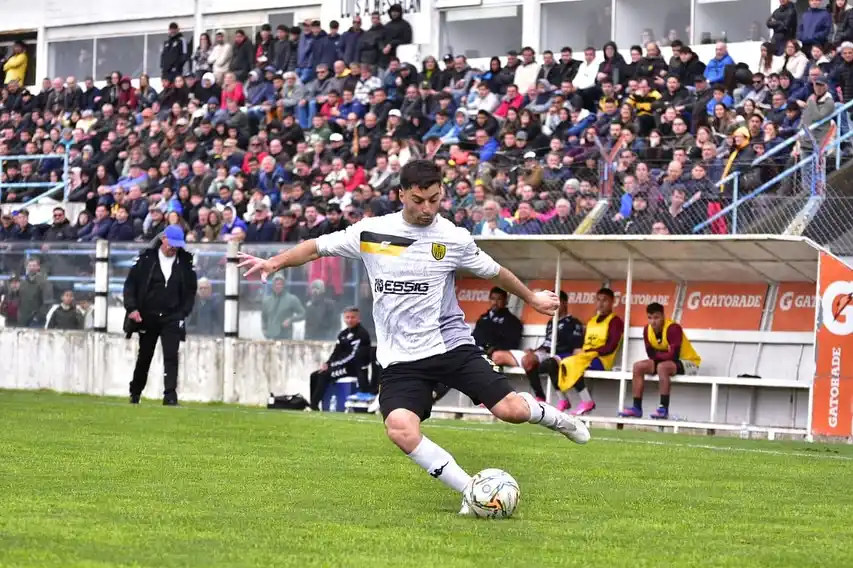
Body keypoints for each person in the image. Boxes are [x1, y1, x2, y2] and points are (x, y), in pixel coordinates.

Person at [238, 160, 590, 515]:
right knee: (400, 428)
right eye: (419, 200)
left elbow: (495, 272)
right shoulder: (372, 233)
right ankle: (473, 491)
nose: (427, 209)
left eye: (435, 200)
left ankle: (561, 419)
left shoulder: (452, 237)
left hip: (451, 346)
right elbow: (315, 247)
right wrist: (274, 263)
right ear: (401, 194)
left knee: (511, 411)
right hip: (402, 360)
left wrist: (531, 298)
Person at [123, 226, 198, 405]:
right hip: (147, 316)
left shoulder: (185, 262)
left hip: (172, 316)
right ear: (163, 239)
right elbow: (130, 285)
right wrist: (132, 309)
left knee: (171, 355)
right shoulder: (145, 259)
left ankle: (170, 395)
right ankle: (135, 392)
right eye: (172, 244)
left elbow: (190, 290)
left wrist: (183, 313)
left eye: (177, 246)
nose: (174, 248)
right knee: (145, 356)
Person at [489, 291, 584, 410]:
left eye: (555, 302)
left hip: (556, 356)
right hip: (542, 353)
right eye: (550, 302)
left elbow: (574, 348)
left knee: (529, 360)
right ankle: (493, 396)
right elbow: (547, 343)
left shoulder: (573, 323)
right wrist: (534, 350)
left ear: (564, 303)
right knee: (497, 356)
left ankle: (540, 397)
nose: (551, 305)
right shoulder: (551, 322)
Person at [619, 302, 701, 419]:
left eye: (656, 317)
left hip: (688, 362)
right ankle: (636, 408)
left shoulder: (673, 328)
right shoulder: (647, 330)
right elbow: (650, 354)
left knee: (662, 367)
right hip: (667, 362)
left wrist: (660, 355)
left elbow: (674, 355)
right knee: (638, 366)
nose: (653, 321)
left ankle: (663, 409)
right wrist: (664, 354)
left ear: (663, 316)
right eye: (650, 318)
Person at [557, 288, 624, 416]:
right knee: (558, 362)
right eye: (598, 300)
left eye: (605, 300)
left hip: (602, 360)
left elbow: (610, 347)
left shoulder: (615, 321)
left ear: (612, 302)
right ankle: (564, 399)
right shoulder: (592, 320)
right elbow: (584, 343)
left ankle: (587, 401)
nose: (601, 303)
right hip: (586, 357)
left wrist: (588, 351)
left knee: (571, 364)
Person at [309, 306, 372, 410]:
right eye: (347, 317)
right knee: (315, 375)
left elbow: (353, 356)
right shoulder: (343, 334)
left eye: (353, 317)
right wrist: (327, 364)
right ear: (344, 318)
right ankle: (313, 403)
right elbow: (335, 352)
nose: (350, 320)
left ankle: (314, 406)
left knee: (324, 375)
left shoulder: (362, 334)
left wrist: (333, 365)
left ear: (358, 318)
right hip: (340, 366)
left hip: (353, 369)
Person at [472, 287, 523, 355]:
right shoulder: (482, 318)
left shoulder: (512, 321)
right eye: (493, 299)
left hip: (497, 356)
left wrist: (494, 348)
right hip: (477, 353)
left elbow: (512, 343)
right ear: (489, 300)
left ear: (505, 301)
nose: (495, 302)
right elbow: (475, 337)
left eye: (499, 299)